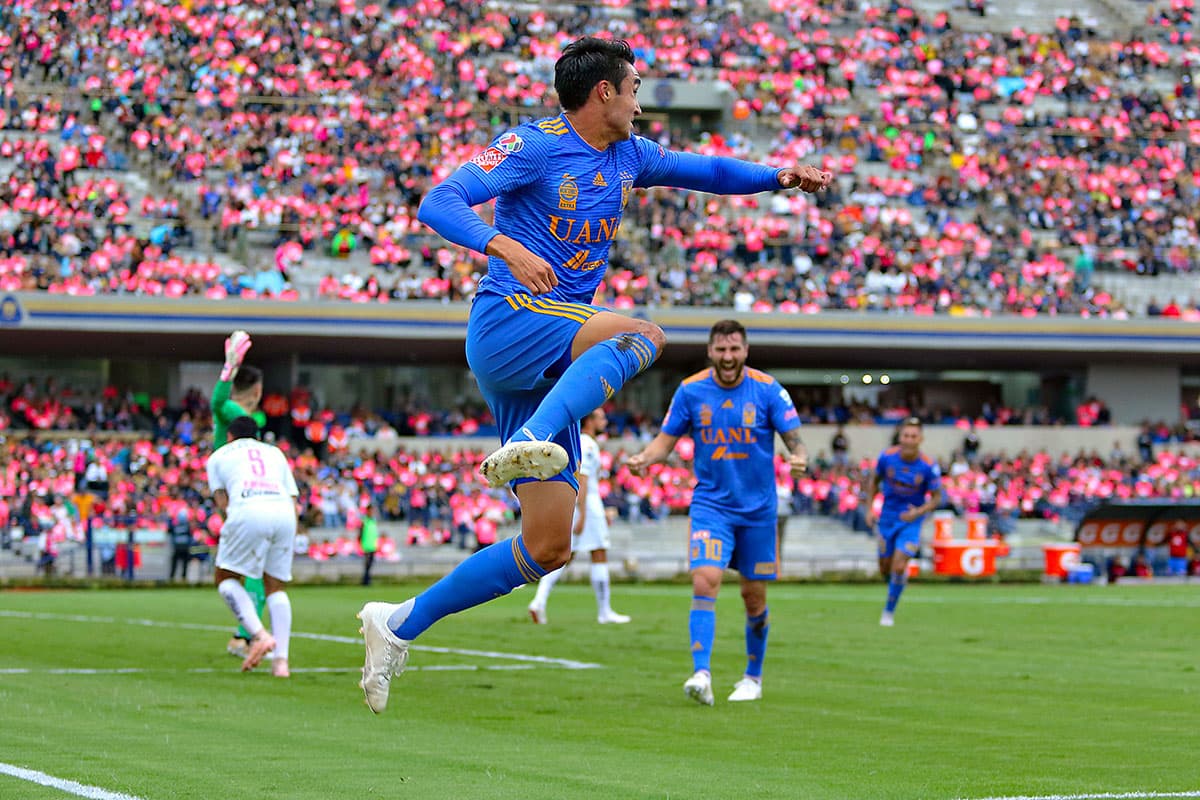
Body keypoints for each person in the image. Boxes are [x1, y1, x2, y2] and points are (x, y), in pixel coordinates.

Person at [356, 37, 831, 714]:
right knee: (644, 333)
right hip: (511, 317)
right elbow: (438, 201)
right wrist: (505, 245)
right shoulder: (533, 145)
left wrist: (779, 176)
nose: (640, 103)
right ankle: (538, 434)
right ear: (604, 92)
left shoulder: (630, 156)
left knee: (550, 545)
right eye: (635, 88)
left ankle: (398, 624)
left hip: (548, 350)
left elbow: (709, 170)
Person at [626, 320, 807, 705]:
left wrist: (798, 458)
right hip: (711, 507)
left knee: (752, 598)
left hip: (758, 511)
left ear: (745, 351)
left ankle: (752, 678)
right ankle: (701, 674)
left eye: (735, 349)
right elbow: (665, 442)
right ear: (710, 351)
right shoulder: (691, 391)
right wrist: (645, 458)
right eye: (721, 350)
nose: (728, 357)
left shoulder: (768, 389)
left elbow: (795, 440)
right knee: (704, 580)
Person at [206, 416, 299, 677]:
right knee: (275, 587)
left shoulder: (219, 456)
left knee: (225, 578)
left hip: (247, 509)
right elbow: (293, 497)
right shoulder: (276, 453)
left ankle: (259, 636)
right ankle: (281, 663)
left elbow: (222, 501)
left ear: (230, 436)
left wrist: (232, 530)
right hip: (284, 513)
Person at [527, 407, 631, 625]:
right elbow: (582, 480)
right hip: (588, 505)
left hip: (580, 504)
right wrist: (583, 514)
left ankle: (538, 601)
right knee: (598, 552)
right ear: (590, 421)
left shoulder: (581, 442)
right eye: (601, 417)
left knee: (566, 556)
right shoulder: (588, 444)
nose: (605, 421)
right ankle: (604, 611)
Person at [212, 330, 269, 660]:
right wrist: (228, 368)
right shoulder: (237, 413)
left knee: (243, 569)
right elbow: (217, 401)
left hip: (236, 494)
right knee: (253, 568)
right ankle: (247, 635)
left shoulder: (244, 417)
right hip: (240, 496)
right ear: (258, 390)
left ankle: (245, 634)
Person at [863, 418, 943, 628]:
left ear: (921, 438)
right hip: (888, 518)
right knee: (885, 568)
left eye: (913, 436)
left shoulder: (928, 465)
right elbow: (874, 483)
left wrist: (918, 511)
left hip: (911, 520)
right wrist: (870, 509)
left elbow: (936, 498)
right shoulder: (887, 457)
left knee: (898, 565)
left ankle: (889, 611)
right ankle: (897, 579)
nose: (909, 439)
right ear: (900, 437)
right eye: (906, 435)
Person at [168, 509, 194, 582]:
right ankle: (183, 578)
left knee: (175, 563)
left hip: (178, 547)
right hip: (184, 547)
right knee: (183, 564)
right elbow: (190, 535)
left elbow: (170, 532)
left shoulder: (175, 526)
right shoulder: (187, 525)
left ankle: (172, 577)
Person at [360, 504, 379, 586]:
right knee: (367, 564)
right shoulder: (364, 521)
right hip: (366, 545)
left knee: (370, 564)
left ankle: (367, 579)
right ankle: (366, 580)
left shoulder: (373, 521)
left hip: (372, 545)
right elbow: (360, 534)